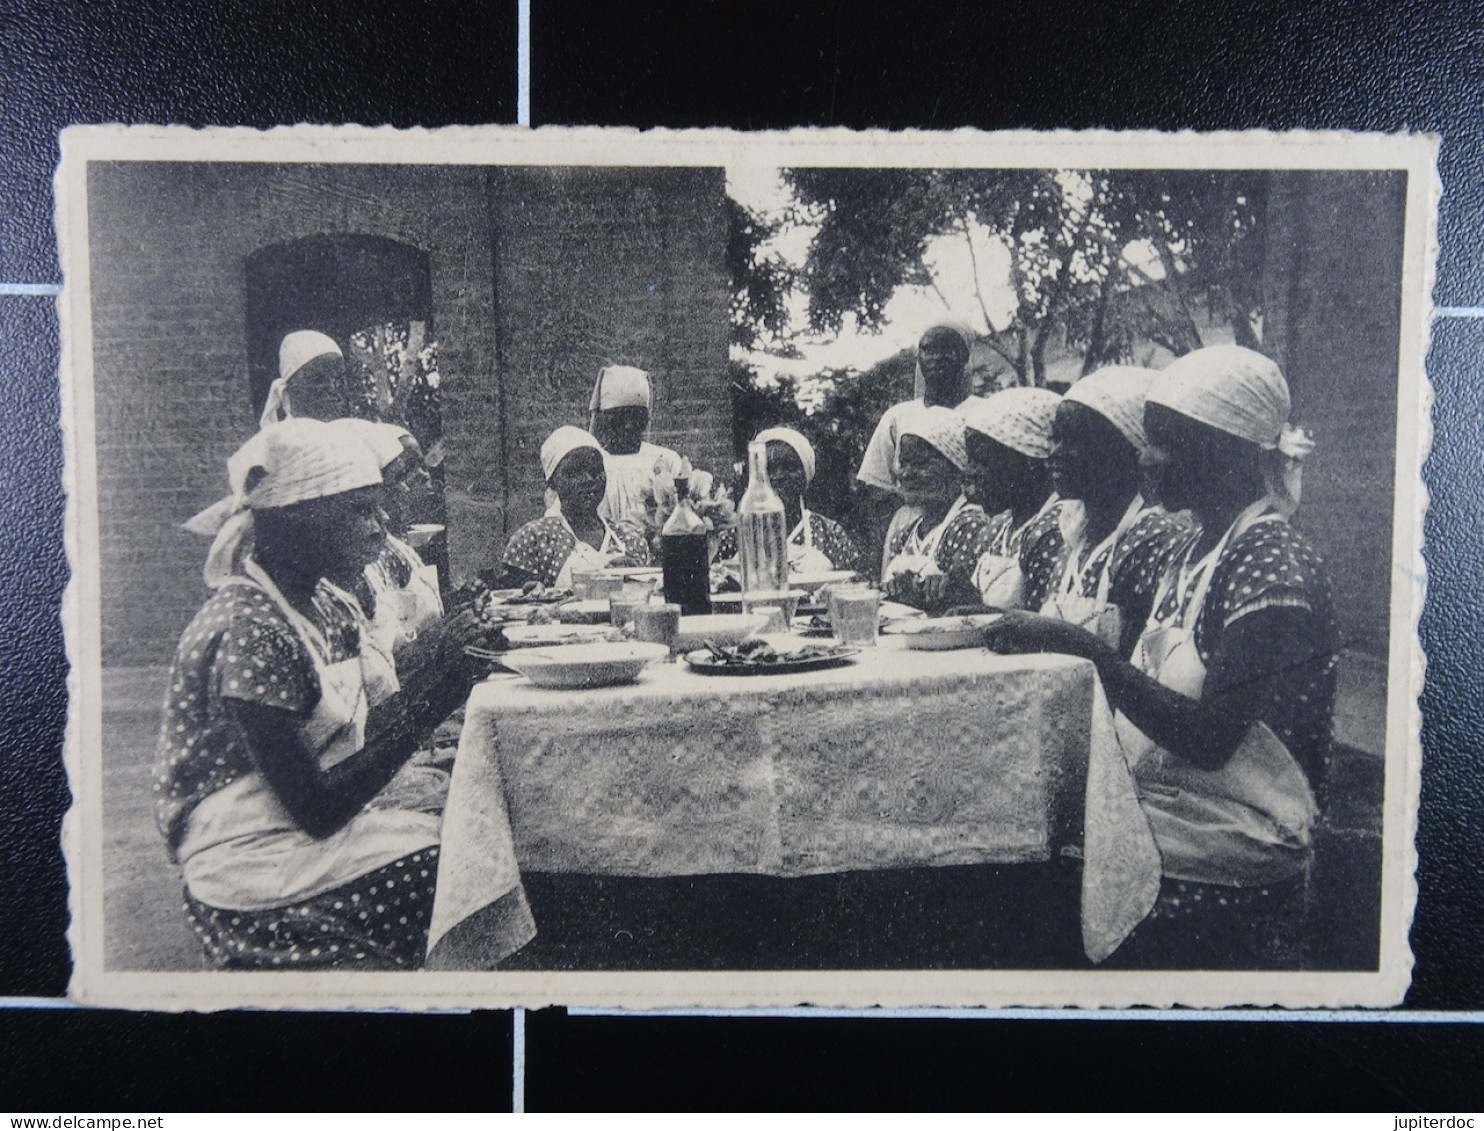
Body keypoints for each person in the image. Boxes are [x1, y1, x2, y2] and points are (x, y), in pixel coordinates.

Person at [982, 345, 1335, 966]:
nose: (1146, 458)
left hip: (1245, 824)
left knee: (1039, 867)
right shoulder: (1195, 549)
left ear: (1229, 451)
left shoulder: (1270, 565)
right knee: (1013, 823)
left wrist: (1082, 647)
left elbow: (1211, 741)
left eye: (1166, 441)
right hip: (1179, 801)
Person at [157, 419, 476, 969]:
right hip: (246, 857)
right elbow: (317, 809)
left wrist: (450, 663)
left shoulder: (328, 606)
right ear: (293, 523)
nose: (380, 527)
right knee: (453, 865)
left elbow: (369, 728)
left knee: (470, 820)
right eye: (360, 510)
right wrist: (433, 702)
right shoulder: (247, 627)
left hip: (295, 827)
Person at [1019, 366, 1197, 658]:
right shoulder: (1074, 532)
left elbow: (1141, 666)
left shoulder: (1153, 540)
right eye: (1056, 438)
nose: (1054, 453)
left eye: (1075, 440)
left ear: (1127, 448)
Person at [501, 426, 653, 588]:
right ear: (552, 482)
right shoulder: (532, 539)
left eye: (595, 471)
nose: (588, 479)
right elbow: (515, 602)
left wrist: (637, 579)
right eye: (574, 472)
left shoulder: (631, 539)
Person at [879, 406, 993, 614]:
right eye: (904, 463)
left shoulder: (969, 526)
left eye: (921, 463)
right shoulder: (905, 535)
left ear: (954, 465)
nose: (907, 474)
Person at [958, 386, 1062, 608]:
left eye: (982, 461)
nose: (969, 472)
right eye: (969, 460)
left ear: (1030, 461)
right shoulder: (998, 528)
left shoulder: (1055, 529)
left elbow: (1042, 630)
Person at [713, 426, 863, 574]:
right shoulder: (735, 537)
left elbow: (855, 587)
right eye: (769, 469)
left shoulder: (830, 534)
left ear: (806, 476)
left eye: (789, 467)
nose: (779, 476)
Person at [587, 364, 685, 525]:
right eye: (620, 417)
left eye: (637, 417)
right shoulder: (593, 466)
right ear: (604, 419)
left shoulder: (666, 460)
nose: (628, 425)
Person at [260, 329, 353, 427]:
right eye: (318, 379)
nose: (332, 388)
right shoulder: (276, 440)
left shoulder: (357, 437)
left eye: (339, 380)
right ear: (289, 390)